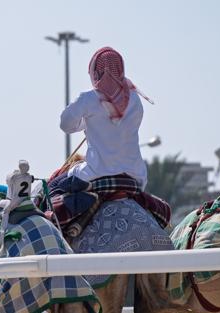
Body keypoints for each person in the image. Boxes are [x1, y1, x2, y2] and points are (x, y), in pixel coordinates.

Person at [47, 47, 169, 231]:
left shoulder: (88, 99)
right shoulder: (134, 99)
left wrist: (85, 122)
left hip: (96, 173)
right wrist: (90, 123)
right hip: (135, 176)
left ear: (95, 72)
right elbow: (119, 125)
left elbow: (66, 124)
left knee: (53, 187)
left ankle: (59, 232)